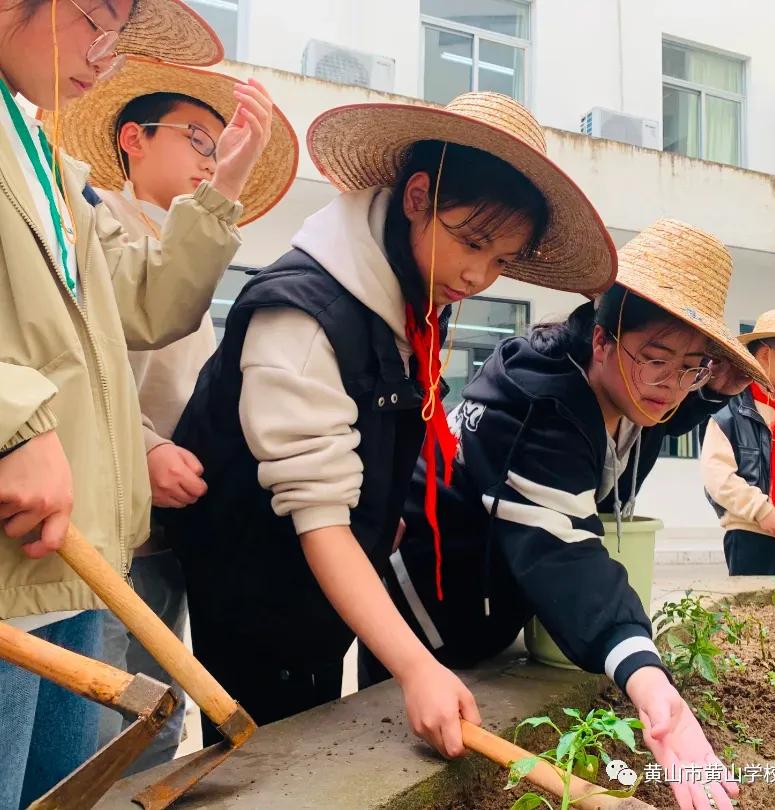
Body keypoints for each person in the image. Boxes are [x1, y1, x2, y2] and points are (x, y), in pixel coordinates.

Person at [162, 91, 617, 758]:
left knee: (313, 734)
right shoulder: (303, 315)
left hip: (325, 578)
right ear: (417, 196)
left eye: (500, 260)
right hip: (257, 581)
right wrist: (416, 667)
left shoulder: (407, 302)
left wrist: (382, 509)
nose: (477, 274)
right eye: (471, 242)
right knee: (264, 759)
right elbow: (318, 515)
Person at [363, 219, 765, 810]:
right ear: (601, 340)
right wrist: (649, 679)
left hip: (493, 586)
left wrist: (709, 390)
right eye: (657, 358)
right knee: (408, 756)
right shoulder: (537, 405)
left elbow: (662, 404)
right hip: (426, 595)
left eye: (692, 367)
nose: (669, 385)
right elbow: (563, 549)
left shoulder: (635, 389)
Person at [0, 0, 272, 804]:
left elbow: (150, 303)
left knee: (64, 793)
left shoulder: (48, 163)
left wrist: (223, 186)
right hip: (17, 558)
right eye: (96, 19)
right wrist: (14, 414)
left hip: (78, 558)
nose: (107, 54)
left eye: (120, 33)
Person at [48, 55, 298, 771]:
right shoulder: (93, 218)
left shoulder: (193, 247)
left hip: (173, 519)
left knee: (157, 713)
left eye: (219, 148)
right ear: (133, 138)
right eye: (196, 137)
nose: (210, 160)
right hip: (109, 514)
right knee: (97, 716)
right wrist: (147, 445)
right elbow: (84, 364)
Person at [702, 309, 775, 575]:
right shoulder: (729, 412)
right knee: (752, 613)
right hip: (749, 535)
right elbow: (717, 477)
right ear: (765, 355)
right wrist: (761, 510)